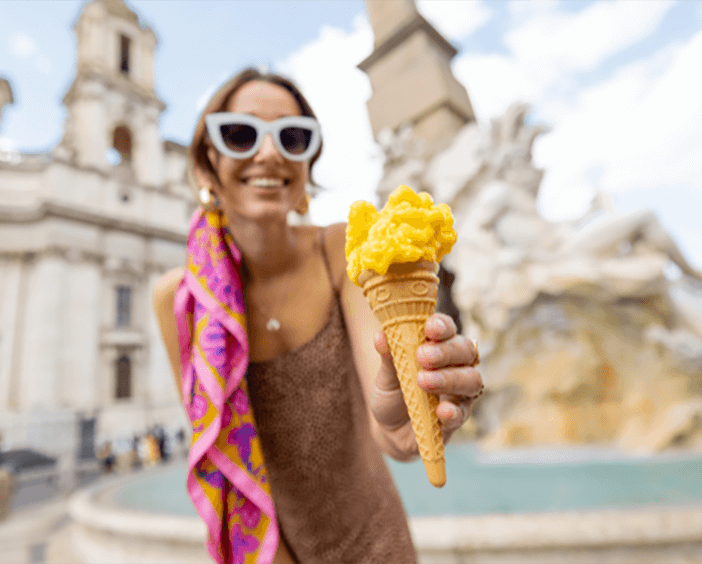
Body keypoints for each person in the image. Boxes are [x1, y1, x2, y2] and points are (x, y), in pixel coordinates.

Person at [153, 68, 484, 563]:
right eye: (240, 134)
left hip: (379, 544)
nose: (268, 153)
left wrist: (406, 414)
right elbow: (218, 453)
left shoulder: (342, 252)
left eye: (292, 137)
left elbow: (389, 420)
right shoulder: (179, 298)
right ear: (207, 166)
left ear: (306, 165)